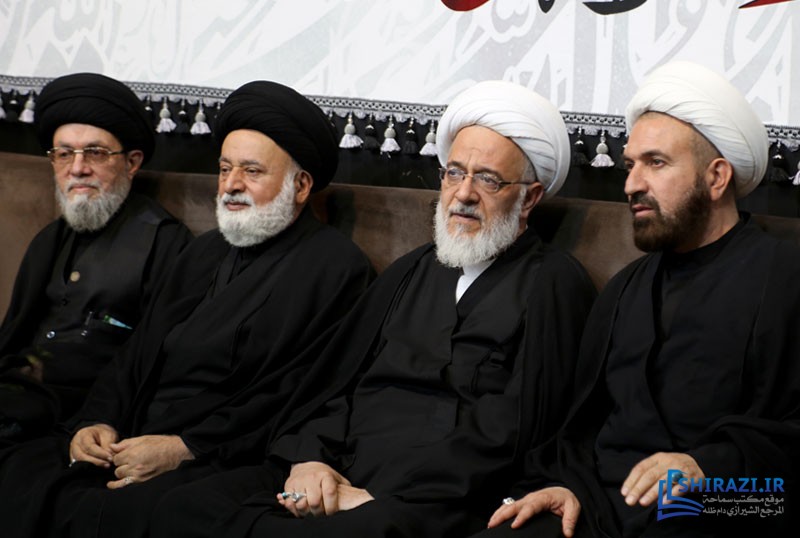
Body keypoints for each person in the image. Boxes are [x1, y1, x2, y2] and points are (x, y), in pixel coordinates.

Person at [149, 80, 597, 538]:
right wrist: (310, 459)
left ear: (530, 197)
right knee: (184, 508)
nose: (463, 194)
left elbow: (516, 428)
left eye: (487, 179)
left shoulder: (553, 283)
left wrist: (390, 494)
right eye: (454, 173)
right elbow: (334, 382)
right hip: (340, 468)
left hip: (437, 495)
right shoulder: (410, 271)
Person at [0, 80, 372, 538]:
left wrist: (184, 447)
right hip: (136, 434)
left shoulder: (335, 267)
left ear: (301, 185)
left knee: (130, 512)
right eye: (225, 169)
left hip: (225, 452)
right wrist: (98, 421)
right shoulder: (204, 251)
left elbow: (297, 391)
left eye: (252, 171)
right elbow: (136, 354)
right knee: (22, 471)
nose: (231, 185)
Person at [479, 62, 800, 538]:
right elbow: (582, 426)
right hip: (600, 505)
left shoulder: (786, 278)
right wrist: (564, 484)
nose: (631, 184)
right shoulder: (625, 289)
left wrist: (706, 466)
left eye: (656, 163)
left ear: (716, 177)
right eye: (630, 166)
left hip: (735, 500)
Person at [0, 73, 192, 442]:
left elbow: (157, 359)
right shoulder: (48, 240)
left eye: (95, 152)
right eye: (64, 154)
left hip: (91, 416)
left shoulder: (165, 242)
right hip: (20, 397)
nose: (77, 168)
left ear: (132, 162)